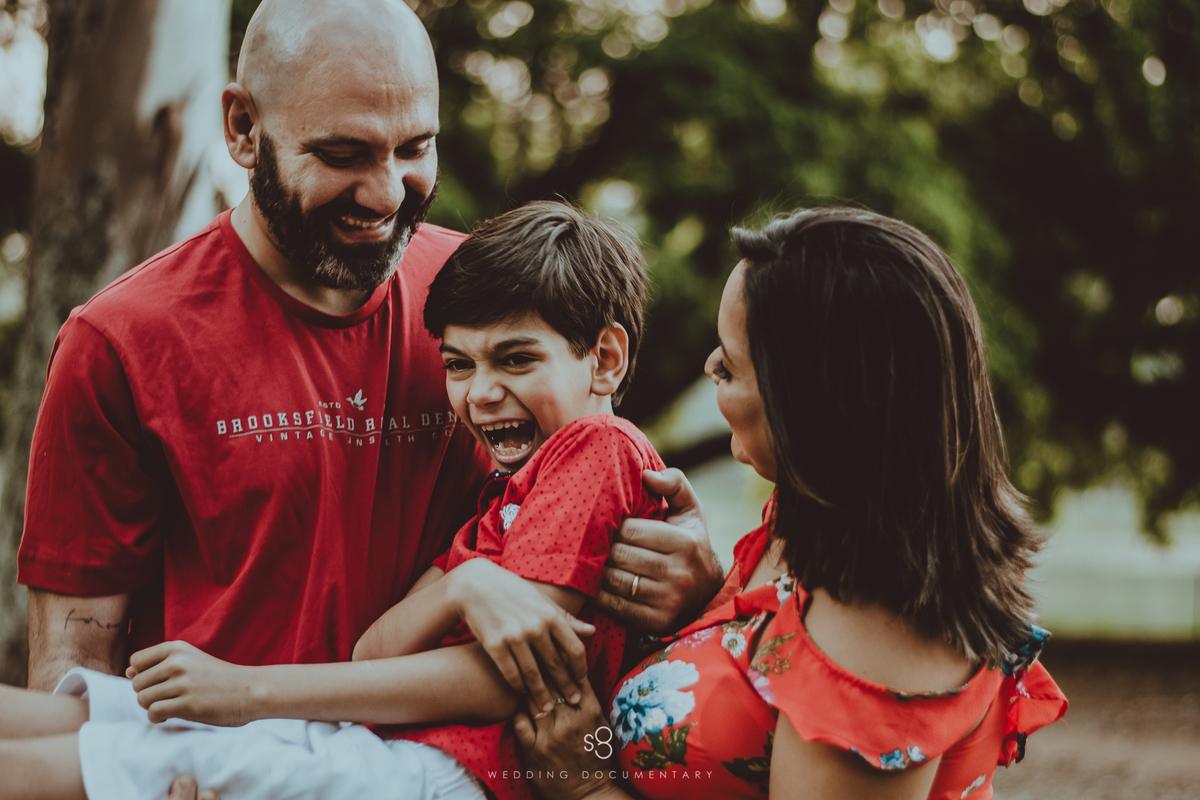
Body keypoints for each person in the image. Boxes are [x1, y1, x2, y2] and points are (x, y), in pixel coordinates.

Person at [16, 0, 723, 708]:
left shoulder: (491, 306)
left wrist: (691, 585)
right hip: (211, 757)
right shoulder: (120, 341)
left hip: (460, 759)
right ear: (243, 128)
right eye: (342, 154)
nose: (387, 194)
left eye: (414, 148)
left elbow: (590, 547)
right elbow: (73, 663)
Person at [0, 200, 672, 800]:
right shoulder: (508, 492)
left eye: (517, 359)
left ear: (605, 359)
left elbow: (511, 680)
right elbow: (373, 653)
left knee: (172, 747)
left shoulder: (599, 449)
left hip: (459, 776)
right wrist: (461, 588)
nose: (480, 393)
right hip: (390, 746)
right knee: (113, 716)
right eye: (458, 364)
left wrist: (244, 691)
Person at [514, 208, 1069, 800]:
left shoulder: (883, 631)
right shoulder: (812, 527)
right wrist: (706, 598)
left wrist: (587, 785)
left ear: (810, 400)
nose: (709, 368)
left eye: (729, 364)